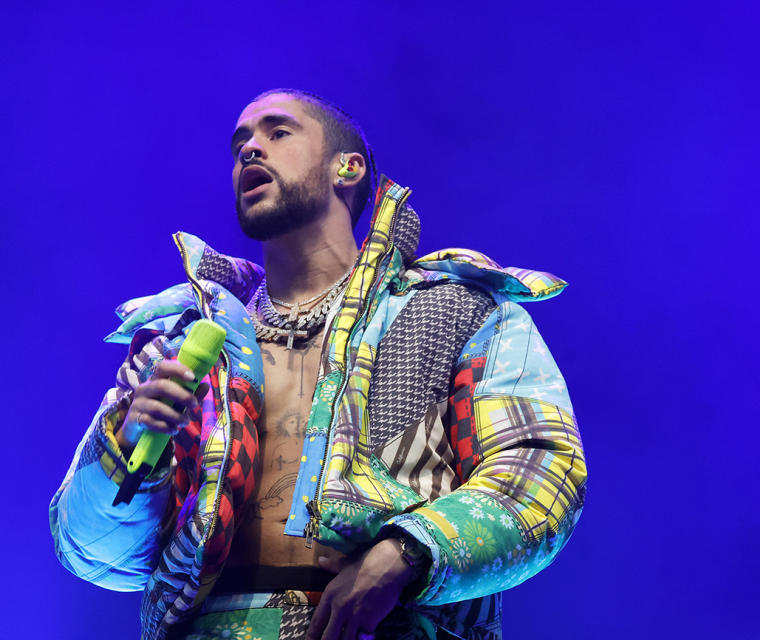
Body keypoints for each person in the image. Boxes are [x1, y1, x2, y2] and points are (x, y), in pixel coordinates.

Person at [49, 89, 587, 640]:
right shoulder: (182, 336)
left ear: (347, 167)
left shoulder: (455, 310)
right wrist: (132, 441)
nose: (250, 151)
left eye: (277, 133)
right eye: (240, 144)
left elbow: (542, 472)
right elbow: (91, 551)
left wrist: (409, 552)